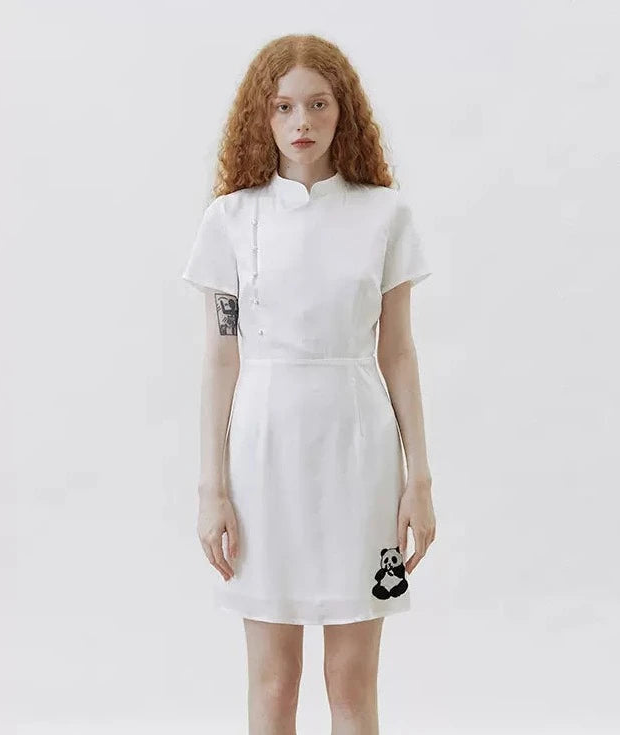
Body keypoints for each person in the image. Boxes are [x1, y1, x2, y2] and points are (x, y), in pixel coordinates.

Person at [182, 33, 437, 735]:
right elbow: (221, 357)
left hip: (358, 455)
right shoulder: (230, 220)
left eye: (318, 104)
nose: (302, 122)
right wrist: (212, 488)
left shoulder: (385, 214)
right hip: (262, 458)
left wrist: (418, 479)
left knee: (350, 680)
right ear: (260, 116)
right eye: (283, 106)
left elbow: (398, 352)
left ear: (342, 110)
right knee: (274, 682)